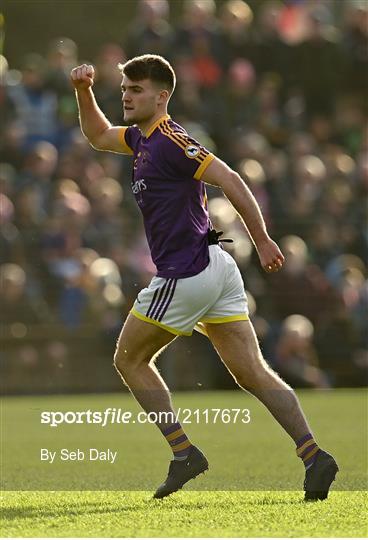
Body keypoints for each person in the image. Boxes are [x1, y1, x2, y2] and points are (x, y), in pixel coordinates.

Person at [70, 54, 338, 500]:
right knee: (252, 372)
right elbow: (97, 135)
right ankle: (314, 456)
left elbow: (230, 178)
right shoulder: (140, 140)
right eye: (124, 90)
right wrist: (84, 92)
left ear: (162, 96)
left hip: (187, 271)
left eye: (136, 90)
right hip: (215, 269)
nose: (126, 96)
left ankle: (183, 454)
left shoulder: (172, 139)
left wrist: (264, 238)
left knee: (128, 360)